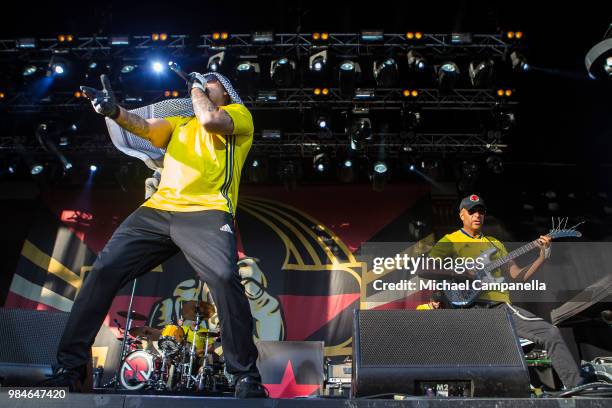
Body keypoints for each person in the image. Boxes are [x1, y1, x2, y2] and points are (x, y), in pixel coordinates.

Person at [44, 72, 267, 398]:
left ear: (227, 91)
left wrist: (194, 85)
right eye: (202, 82)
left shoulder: (238, 116)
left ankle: (245, 376)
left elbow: (208, 119)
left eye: (212, 81)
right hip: (159, 209)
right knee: (104, 270)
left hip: (207, 211)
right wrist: (114, 112)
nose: (205, 84)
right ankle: (70, 368)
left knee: (222, 276)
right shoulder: (179, 125)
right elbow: (145, 129)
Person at [425, 194, 584, 389]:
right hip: (469, 309)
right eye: (472, 211)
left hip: (500, 308)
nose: (477, 215)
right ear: (462, 215)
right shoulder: (450, 240)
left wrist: (542, 256)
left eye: (481, 212)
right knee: (472, 358)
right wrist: (460, 273)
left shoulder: (495, 243)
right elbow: (423, 269)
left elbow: (518, 276)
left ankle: (576, 388)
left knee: (549, 332)